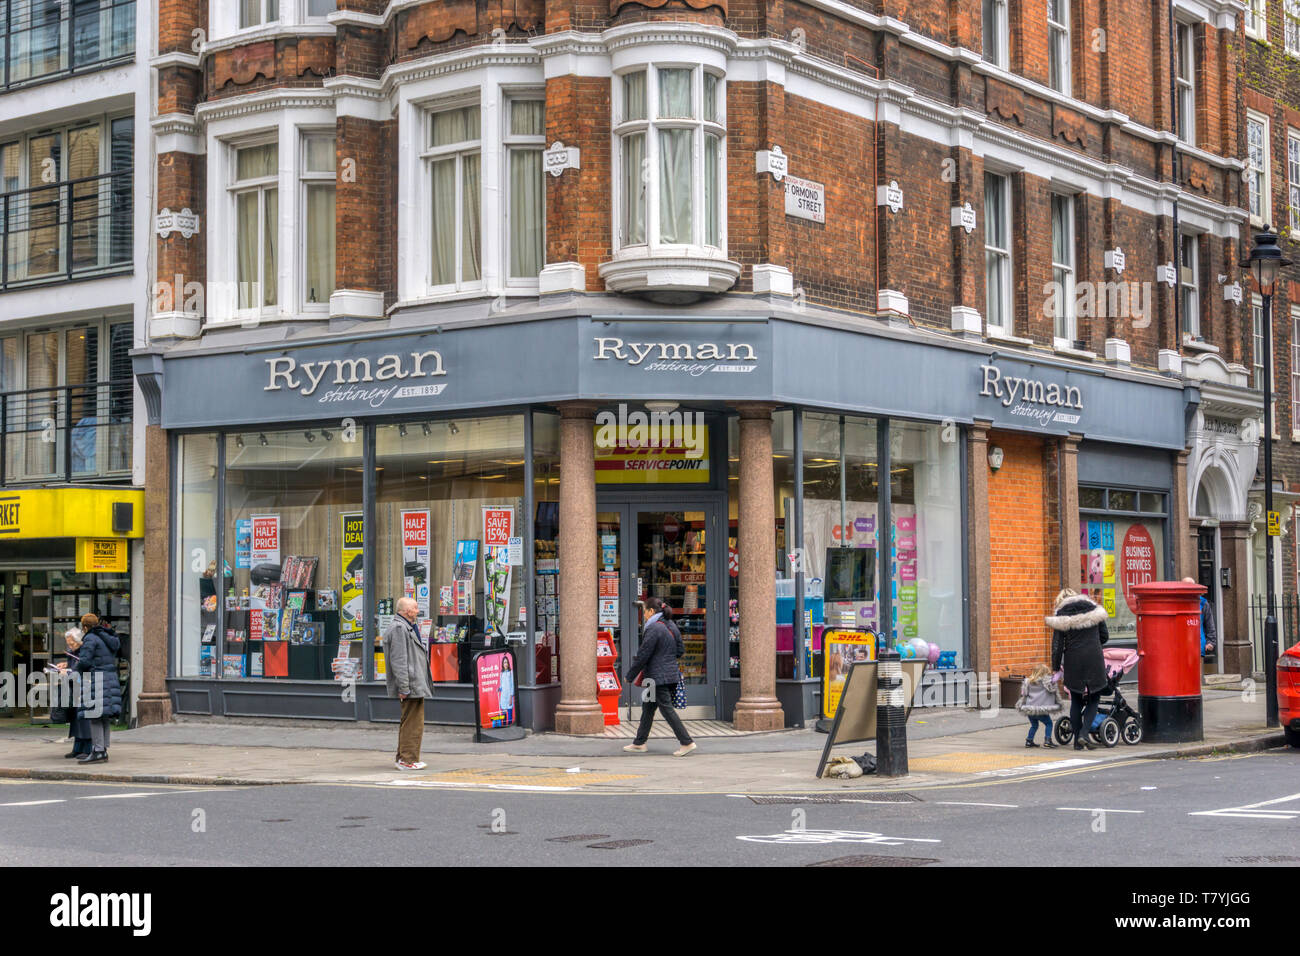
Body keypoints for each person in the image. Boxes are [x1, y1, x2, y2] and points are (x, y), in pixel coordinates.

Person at [623, 597, 696, 757]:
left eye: (645, 612)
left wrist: (630, 675)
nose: (644, 615)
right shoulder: (671, 625)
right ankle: (639, 743)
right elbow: (680, 650)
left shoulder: (654, 628)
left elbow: (643, 654)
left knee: (666, 709)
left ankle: (687, 742)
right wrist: (666, 658)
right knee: (648, 709)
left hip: (658, 676)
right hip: (668, 674)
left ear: (651, 611)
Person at [1047, 589, 1109, 751]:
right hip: (1094, 657)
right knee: (1094, 698)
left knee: (1076, 700)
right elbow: (1105, 636)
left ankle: (1077, 742)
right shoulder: (1093, 608)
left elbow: (1057, 646)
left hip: (1073, 660)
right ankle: (1083, 734)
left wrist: (1055, 667)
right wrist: (1093, 643)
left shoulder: (1062, 615)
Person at [383, 596, 432, 770]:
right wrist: (404, 687)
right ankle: (407, 760)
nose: (418, 611)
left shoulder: (406, 627)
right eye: (415, 608)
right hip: (410, 684)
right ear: (406, 611)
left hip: (413, 682)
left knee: (410, 721)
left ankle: (403, 757)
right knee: (413, 723)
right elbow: (399, 660)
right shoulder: (398, 628)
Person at [72, 614, 122, 764]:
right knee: (104, 716)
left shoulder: (90, 638)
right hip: (109, 678)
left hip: (96, 679)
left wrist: (74, 670)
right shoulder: (107, 637)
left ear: (85, 627)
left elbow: (85, 661)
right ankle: (103, 749)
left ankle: (98, 750)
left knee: (94, 716)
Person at [55, 628, 92, 759]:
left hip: (85, 687)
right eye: (68, 644)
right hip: (75, 688)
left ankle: (87, 749)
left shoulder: (85, 651)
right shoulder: (73, 651)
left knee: (84, 719)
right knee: (75, 718)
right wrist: (66, 665)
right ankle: (77, 747)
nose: (70, 646)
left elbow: (83, 667)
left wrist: (69, 672)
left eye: (72, 643)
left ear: (79, 641)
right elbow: (75, 665)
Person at [1015, 662, 1062, 749]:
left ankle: (1029, 741)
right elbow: (1054, 681)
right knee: (1049, 723)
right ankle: (1048, 741)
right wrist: (1059, 671)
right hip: (1041, 708)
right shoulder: (1046, 683)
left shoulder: (1028, 682)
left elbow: (1023, 693)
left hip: (1029, 709)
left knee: (1034, 725)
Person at [1182, 577, 1216, 657]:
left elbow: (1209, 624)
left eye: (1190, 587)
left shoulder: (1203, 603)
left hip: (1199, 648)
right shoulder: (1176, 602)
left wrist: (1211, 643)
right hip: (1181, 648)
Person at [497, 655, 515, 725]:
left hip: (509, 696)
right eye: (504, 662)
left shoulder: (511, 672)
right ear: (502, 664)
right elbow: (501, 685)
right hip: (503, 697)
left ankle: (509, 728)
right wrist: (499, 689)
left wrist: (511, 697)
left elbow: (512, 685)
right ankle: (504, 728)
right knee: (503, 716)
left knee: (510, 716)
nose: (506, 664)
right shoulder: (501, 674)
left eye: (507, 662)